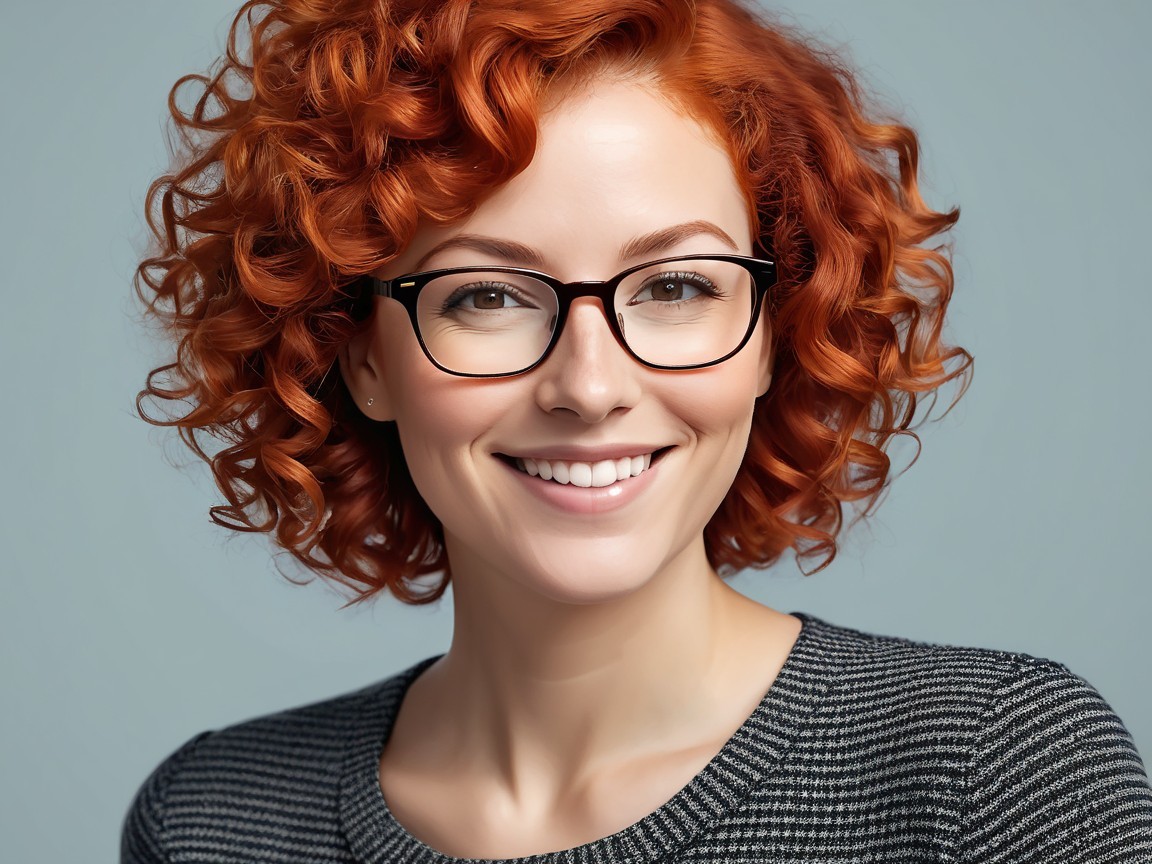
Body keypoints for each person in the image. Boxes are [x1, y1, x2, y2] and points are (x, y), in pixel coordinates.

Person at [121, 0, 1152, 860]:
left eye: (674, 284)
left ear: (767, 333)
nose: (591, 384)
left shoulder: (991, 772)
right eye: (487, 296)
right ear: (360, 356)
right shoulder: (211, 824)